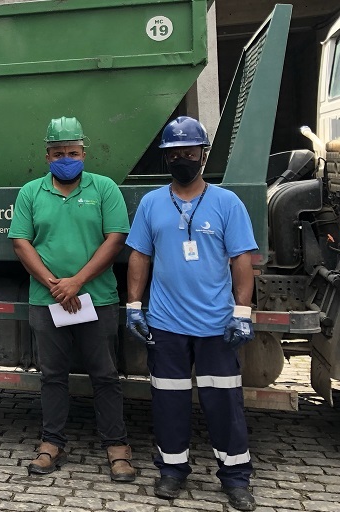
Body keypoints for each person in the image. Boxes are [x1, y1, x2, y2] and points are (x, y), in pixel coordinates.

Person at [125, 116, 257, 511]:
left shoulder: (226, 203)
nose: (183, 157)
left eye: (190, 151)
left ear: (203, 154)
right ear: (166, 157)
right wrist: (134, 305)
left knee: (224, 404)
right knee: (168, 402)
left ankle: (235, 478)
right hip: (166, 325)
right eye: (174, 152)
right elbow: (139, 256)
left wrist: (242, 311)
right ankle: (172, 470)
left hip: (217, 326)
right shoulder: (151, 203)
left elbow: (242, 260)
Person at [8, 117, 135, 481]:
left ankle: (117, 447)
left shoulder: (105, 188)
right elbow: (21, 241)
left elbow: (115, 239)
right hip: (48, 301)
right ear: (47, 157)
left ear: (84, 152)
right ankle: (52, 444)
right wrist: (54, 284)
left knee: (105, 375)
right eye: (59, 153)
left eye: (73, 152)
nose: (67, 158)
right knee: (52, 376)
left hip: (96, 298)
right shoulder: (31, 192)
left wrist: (77, 281)